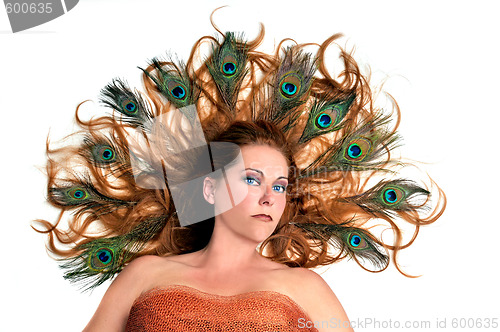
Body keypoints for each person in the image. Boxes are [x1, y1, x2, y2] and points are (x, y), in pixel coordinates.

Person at [34, 16, 445, 332]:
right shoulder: (145, 275)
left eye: (280, 185)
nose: (270, 197)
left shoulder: (306, 289)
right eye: (252, 179)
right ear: (209, 188)